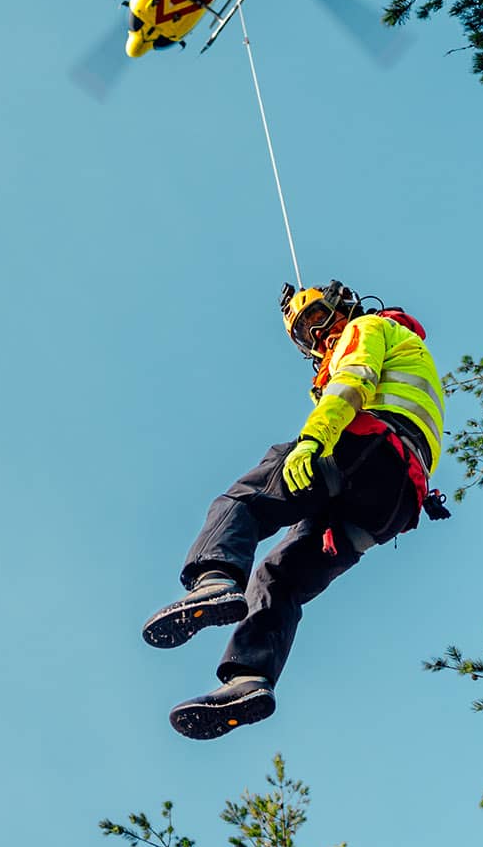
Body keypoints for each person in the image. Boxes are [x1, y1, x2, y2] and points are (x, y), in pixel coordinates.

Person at [142, 280, 448, 738]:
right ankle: (249, 678)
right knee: (279, 578)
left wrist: (313, 440)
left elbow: (352, 382)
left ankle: (214, 577)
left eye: (318, 317)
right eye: (304, 332)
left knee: (243, 500)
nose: (315, 333)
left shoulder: (368, 329)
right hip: (392, 501)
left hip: (363, 447)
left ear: (343, 307)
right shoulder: (410, 356)